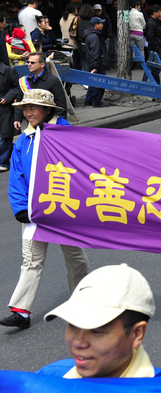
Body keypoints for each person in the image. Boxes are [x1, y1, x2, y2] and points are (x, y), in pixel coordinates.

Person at [36, 264, 161, 392]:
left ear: (136, 334)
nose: (78, 342)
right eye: (73, 325)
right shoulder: (48, 377)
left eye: (96, 331)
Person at [0, 89, 89, 330]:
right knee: (31, 259)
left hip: (64, 207)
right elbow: (17, 177)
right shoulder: (23, 141)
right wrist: (20, 207)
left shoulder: (66, 135)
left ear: (47, 110)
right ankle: (21, 312)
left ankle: (82, 301)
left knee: (74, 257)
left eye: (33, 108)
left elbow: (82, 169)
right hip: (34, 210)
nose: (28, 113)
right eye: (25, 109)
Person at [11, 51, 67, 131]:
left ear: (42, 64)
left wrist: (60, 125)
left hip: (49, 123)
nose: (29, 64)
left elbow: (61, 104)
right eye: (28, 62)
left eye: (32, 62)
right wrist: (17, 119)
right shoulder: (24, 81)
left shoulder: (53, 81)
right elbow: (20, 100)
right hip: (31, 123)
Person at [83, 16, 109, 108]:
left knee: (93, 82)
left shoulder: (91, 35)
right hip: (98, 64)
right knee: (100, 83)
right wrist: (96, 66)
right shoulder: (94, 36)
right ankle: (97, 101)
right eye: (100, 23)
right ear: (95, 25)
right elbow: (95, 52)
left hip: (94, 63)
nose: (102, 25)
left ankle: (89, 100)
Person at [0, 57, 16, 172]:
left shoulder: (9, 71)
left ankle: (3, 161)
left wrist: (7, 98)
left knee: (5, 136)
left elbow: (17, 87)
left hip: (5, 109)